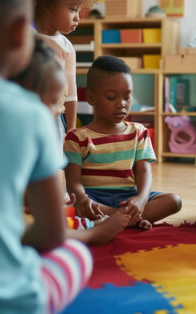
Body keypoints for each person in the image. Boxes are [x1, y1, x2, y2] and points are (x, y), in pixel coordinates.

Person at [0, 0, 91, 312]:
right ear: (21, 33)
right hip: (7, 300)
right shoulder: (30, 114)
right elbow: (51, 234)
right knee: (76, 253)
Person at [12, 37, 132, 245]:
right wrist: (93, 234)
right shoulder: (41, 142)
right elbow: (49, 230)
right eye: (53, 102)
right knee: (76, 257)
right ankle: (92, 233)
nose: (59, 109)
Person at [64, 55, 182, 230]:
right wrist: (82, 198)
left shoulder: (139, 132)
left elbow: (144, 172)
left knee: (174, 201)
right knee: (69, 204)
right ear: (91, 98)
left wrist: (141, 200)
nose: (121, 104)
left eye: (127, 97)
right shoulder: (76, 138)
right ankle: (129, 219)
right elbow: (73, 182)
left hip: (128, 198)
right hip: (94, 199)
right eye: (111, 97)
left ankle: (115, 219)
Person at [29, 0, 96, 134]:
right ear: (46, 5)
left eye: (80, 11)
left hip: (54, 120)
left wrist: (72, 128)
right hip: (27, 116)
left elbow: (71, 92)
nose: (78, 17)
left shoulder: (66, 47)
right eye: (73, 9)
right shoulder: (27, 37)